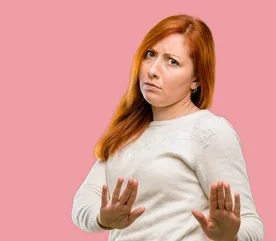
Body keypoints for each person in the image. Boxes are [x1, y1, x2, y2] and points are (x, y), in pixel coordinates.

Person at [71, 14, 264, 241]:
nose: (153, 70)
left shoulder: (209, 131)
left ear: (196, 80)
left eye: (172, 61)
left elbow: (252, 224)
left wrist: (231, 236)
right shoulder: (128, 130)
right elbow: (85, 199)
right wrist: (103, 219)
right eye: (150, 54)